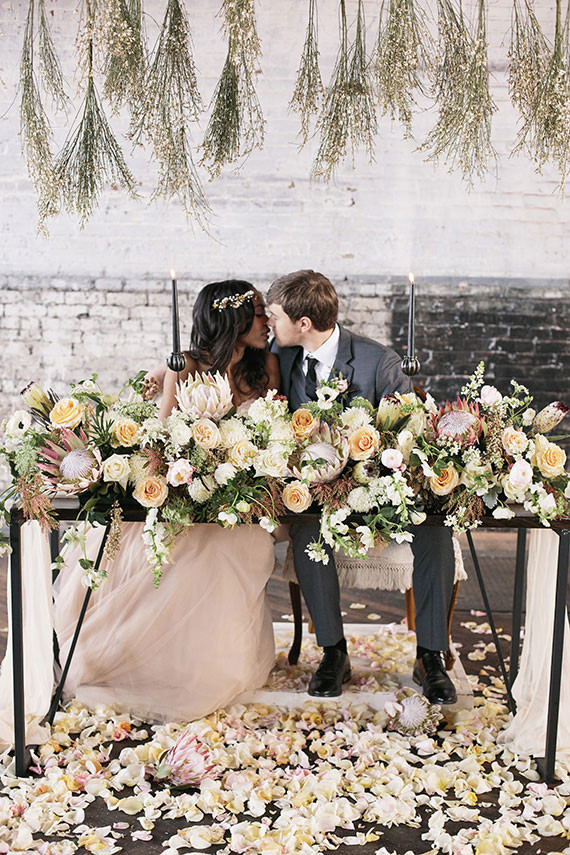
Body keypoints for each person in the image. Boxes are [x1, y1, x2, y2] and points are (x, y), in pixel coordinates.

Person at [53, 280, 281, 722]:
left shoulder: (264, 365)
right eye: (257, 312)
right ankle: (143, 662)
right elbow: (161, 440)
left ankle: (210, 663)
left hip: (237, 497)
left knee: (234, 547)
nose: (266, 320)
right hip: (185, 489)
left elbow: (274, 431)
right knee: (175, 551)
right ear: (231, 317)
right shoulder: (184, 367)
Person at [267, 269, 457, 704]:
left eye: (275, 316)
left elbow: (412, 432)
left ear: (304, 325)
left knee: (436, 528)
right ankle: (334, 653)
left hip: (381, 490)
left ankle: (430, 657)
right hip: (319, 497)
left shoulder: (377, 361)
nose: (270, 323)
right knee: (306, 528)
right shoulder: (283, 355)